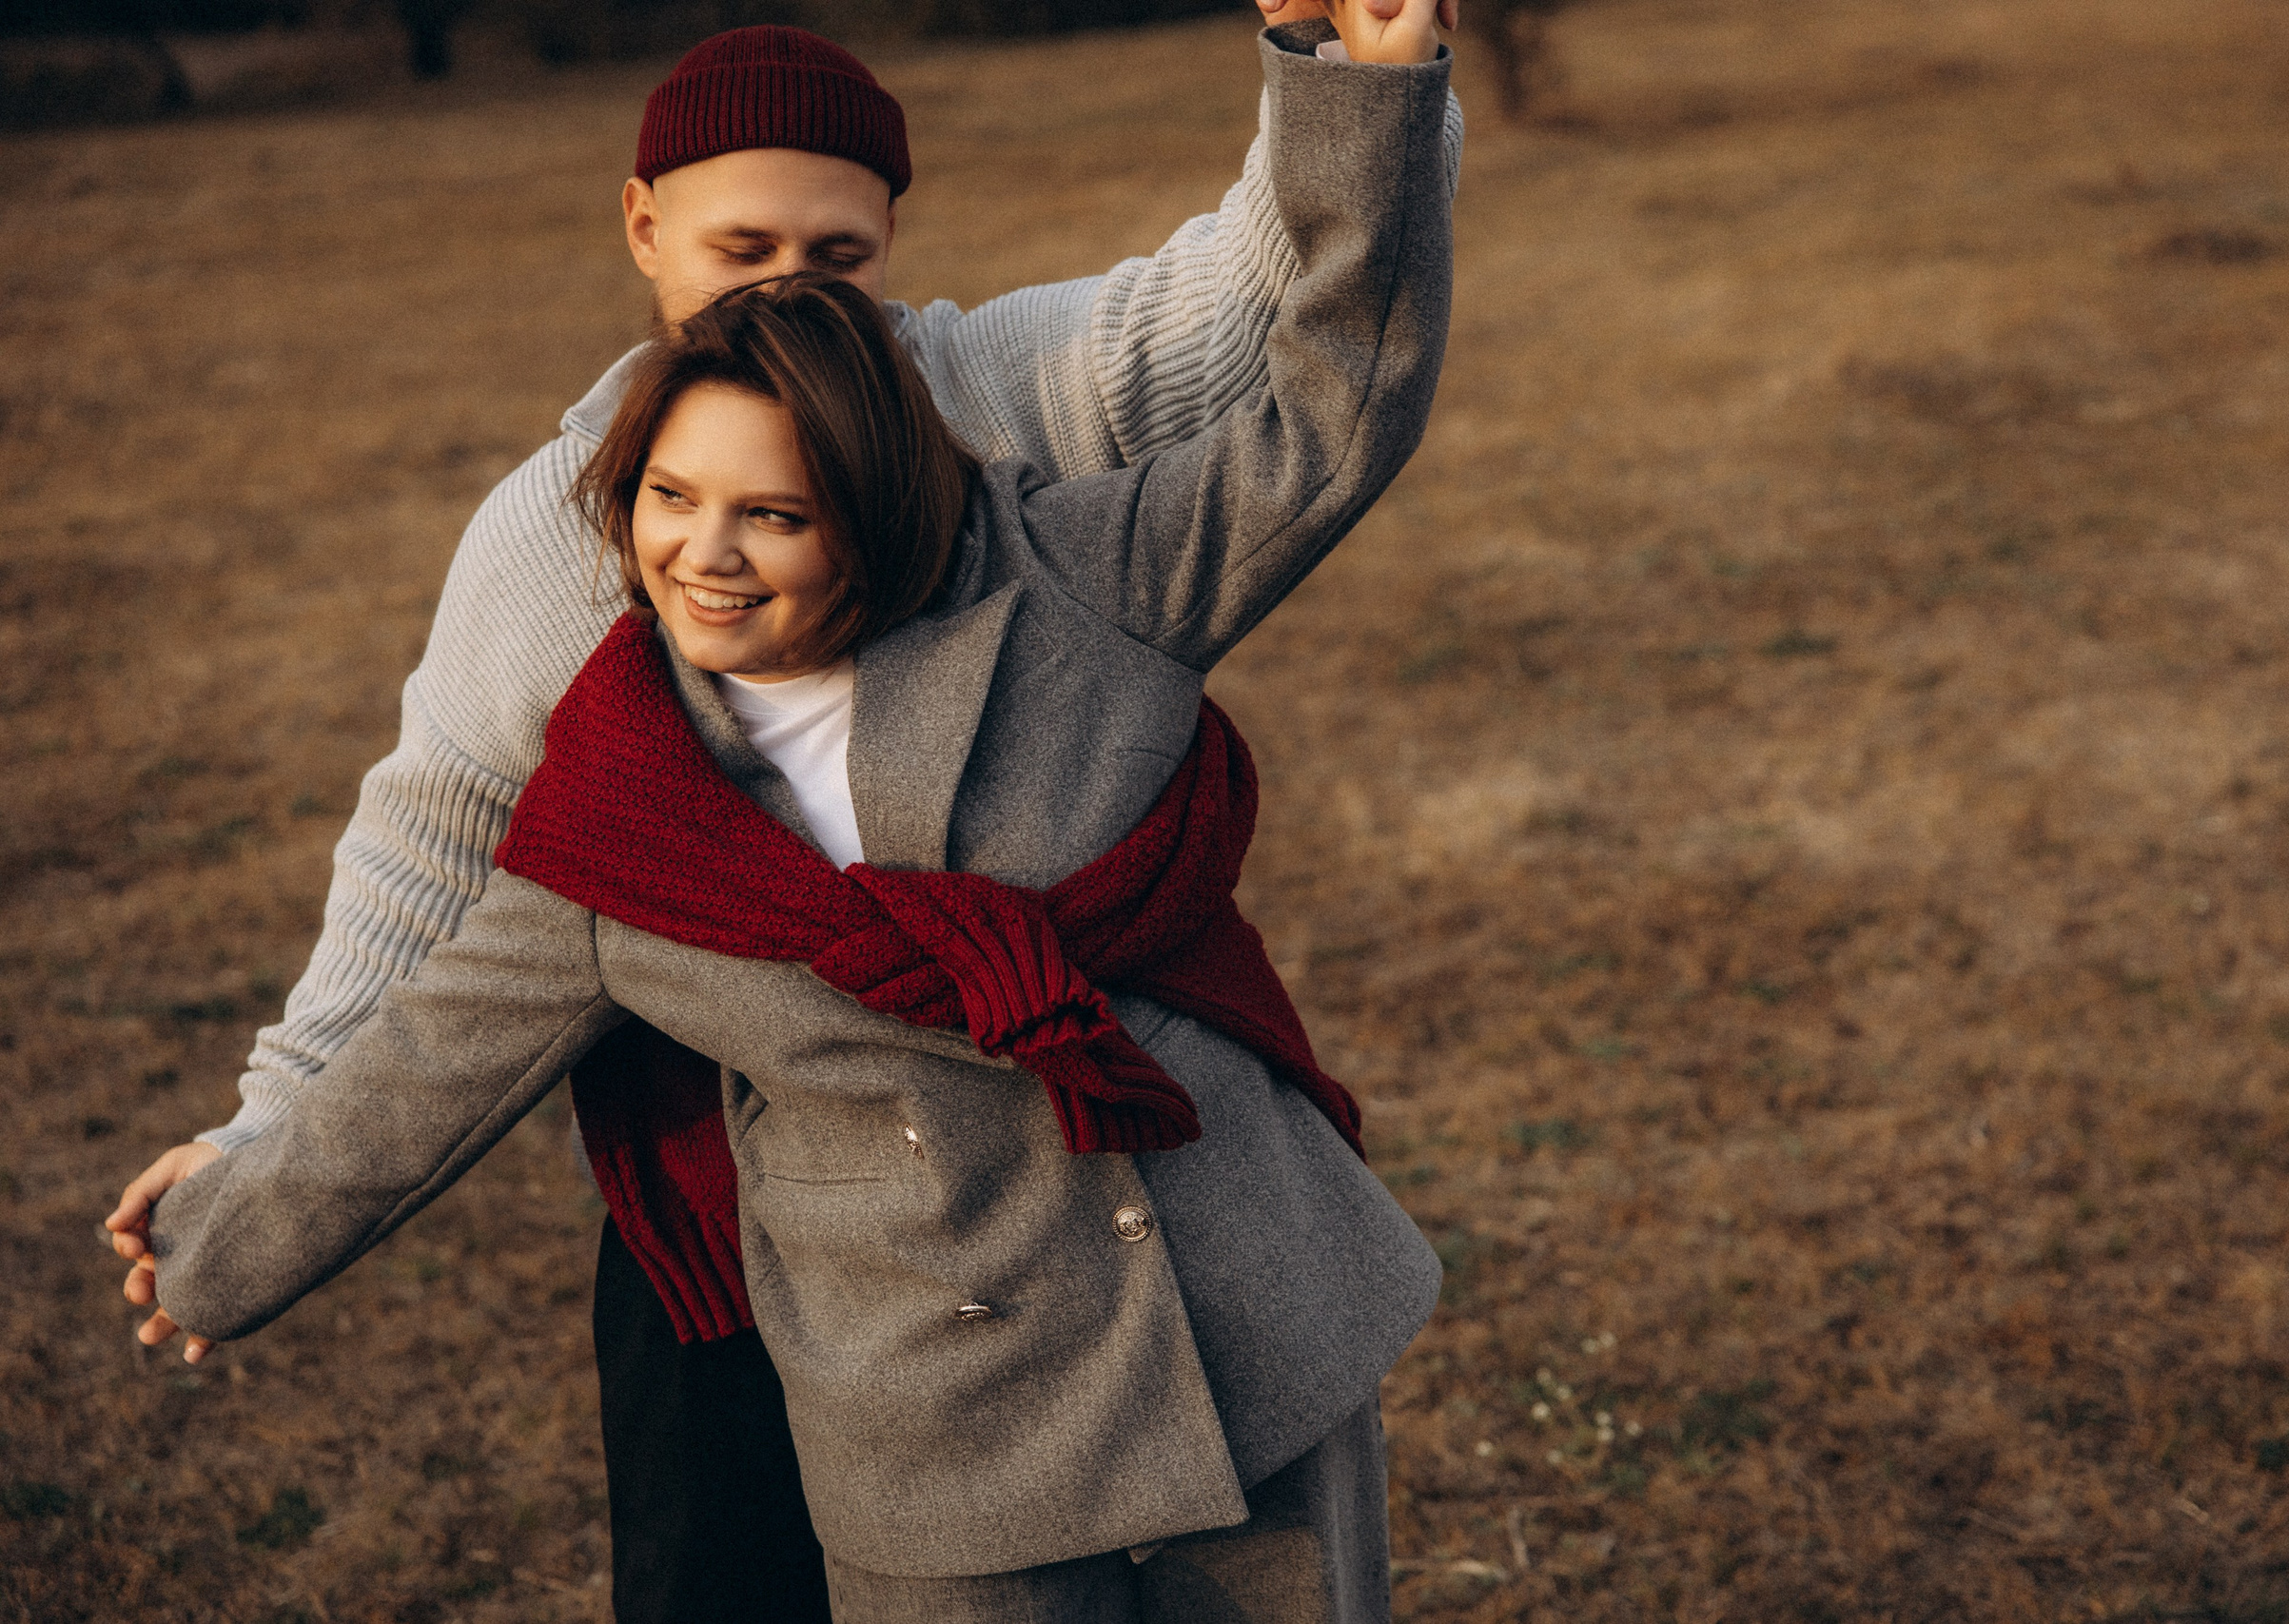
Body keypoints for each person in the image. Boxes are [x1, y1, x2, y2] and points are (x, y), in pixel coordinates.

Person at [104, 5, 1459, 1618]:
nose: (706, 551)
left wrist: (1358, 71)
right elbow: (432, 977)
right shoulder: (606, 768)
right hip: (899, 1345)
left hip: (1229, 1295)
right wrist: (234, 1211)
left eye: (774, 515)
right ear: (644, 229)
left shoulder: (1044, 523)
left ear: (884, 514)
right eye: (671, 505)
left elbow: (1308, 366)